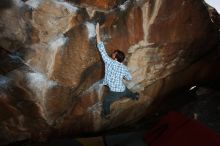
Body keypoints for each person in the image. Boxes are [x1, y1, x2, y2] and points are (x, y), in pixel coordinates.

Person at [95, 23, 140, 119]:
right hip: (122, 89)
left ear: (115, 58)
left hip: (115, 92)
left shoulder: (109, 62)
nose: (112, 54)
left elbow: (101, 48)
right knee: (127, 91)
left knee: (106, 101)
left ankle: (106, 114)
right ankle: (134, 96)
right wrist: (122, 76)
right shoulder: (123, 67)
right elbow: (129, 78)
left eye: (114, 54)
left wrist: (97, 32)